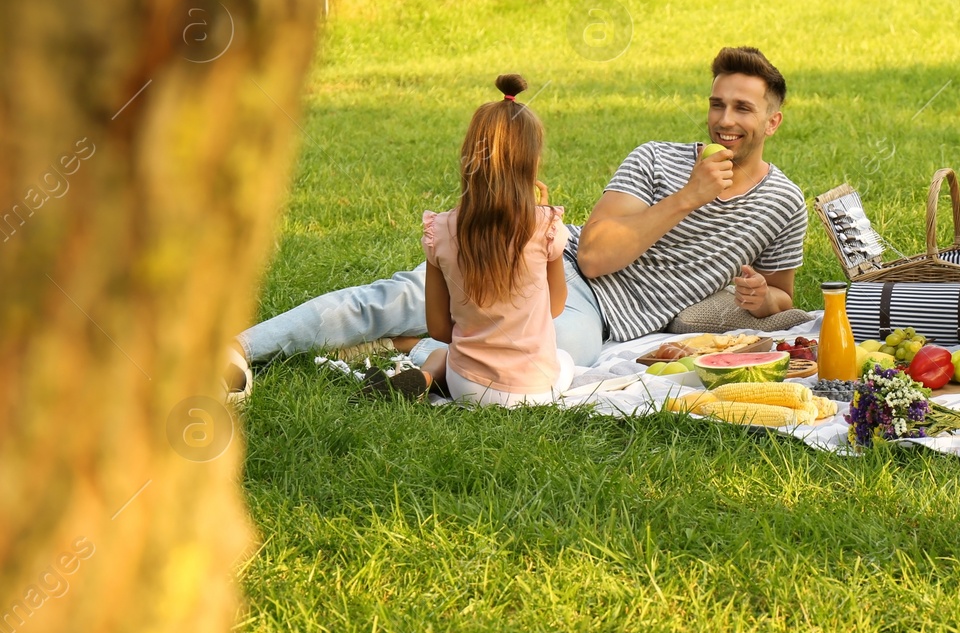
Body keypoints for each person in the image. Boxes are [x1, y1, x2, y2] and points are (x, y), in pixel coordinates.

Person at [231, 47, 809, 388]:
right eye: (716, 103)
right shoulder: (658, 159)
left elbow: (782, 300)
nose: (724, 120)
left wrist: (766, 300)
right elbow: (595, 255)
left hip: (601, 321)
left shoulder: (783, 202)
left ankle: (420, 353)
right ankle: (237, 350)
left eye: (742, 108)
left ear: (772, 123)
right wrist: (688, 196)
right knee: (391, 297)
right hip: (560, 268)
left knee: (545, 363)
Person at [366, 74, 573, 405]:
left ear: (468, 158)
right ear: (531, 163)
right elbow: (556, 306)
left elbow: (439, 330)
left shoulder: (442, 230)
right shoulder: (547, 225)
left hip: (468, 387)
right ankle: (429, 376)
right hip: (534, 390)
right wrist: (543, 213)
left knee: (447, 352)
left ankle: (426, 376)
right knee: (565, 359)